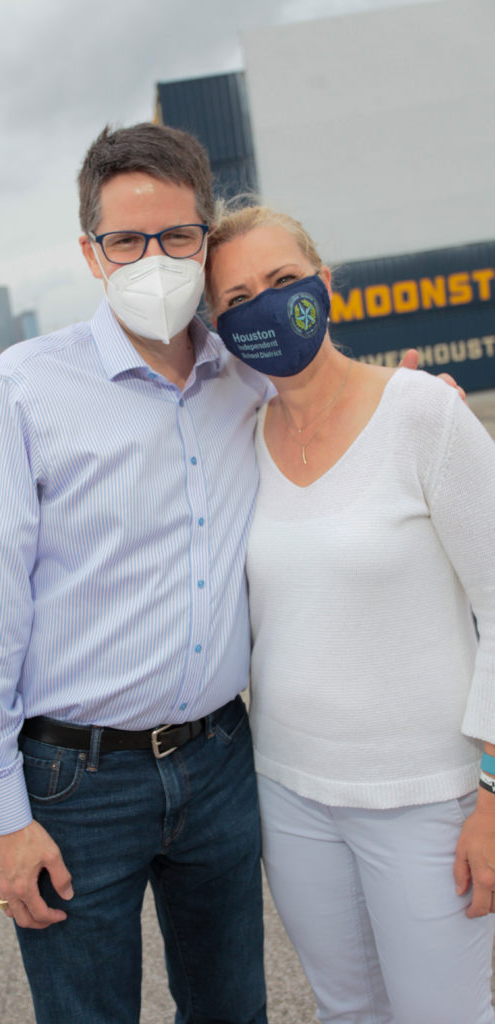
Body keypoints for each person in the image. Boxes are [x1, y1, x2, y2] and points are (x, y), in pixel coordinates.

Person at [0, 123, 270, 1024]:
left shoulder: (245, 381)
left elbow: (335, 421)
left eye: (176, 236)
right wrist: (2, 815)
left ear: (206, 240)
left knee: (233, 1010)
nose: (152, 260)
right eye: (126, 240)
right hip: (73, 782)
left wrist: (410, 400)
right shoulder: (24, 389)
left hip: (218, 760)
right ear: (91, 252)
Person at [205, 202, 495, 1024]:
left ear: (324, 284)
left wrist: (492, 798)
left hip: (428, 798)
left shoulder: (422, 413)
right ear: (218, 326)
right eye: (236, 298)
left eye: (282, 280)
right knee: (346, 1013)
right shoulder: (238, 440)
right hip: (290, 794)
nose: (264, 306)